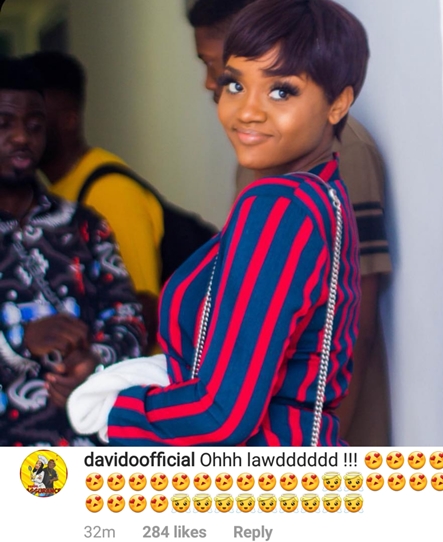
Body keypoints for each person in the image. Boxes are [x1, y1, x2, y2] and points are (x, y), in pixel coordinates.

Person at [106, 0, 366, 446]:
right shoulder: (324, 194)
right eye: (235, 84)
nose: (247, 111)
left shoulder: (279, 207)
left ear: (338, 103)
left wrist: (111, 412)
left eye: (281, 91)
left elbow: (220, 415)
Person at [188, 0, 392, 445]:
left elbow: (352, 328)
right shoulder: (262, 154)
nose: (209, 82)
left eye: (279, 89)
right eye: (232, 81)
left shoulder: (344, 155)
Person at [0, 56, 146, 446]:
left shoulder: (82, 224)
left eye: (34, 126)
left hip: (85, 450)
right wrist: (18, 340)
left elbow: (130, 319)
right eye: (4, 124)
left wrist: (96, 360)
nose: (21, 138)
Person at [24, 52, 177, 352]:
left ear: (69, 119)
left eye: (35, 116)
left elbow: (142, 312)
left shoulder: (107, 191)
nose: (21, 134)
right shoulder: (56, 197)